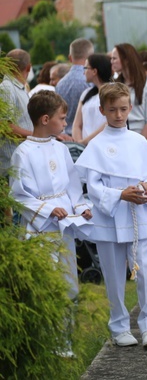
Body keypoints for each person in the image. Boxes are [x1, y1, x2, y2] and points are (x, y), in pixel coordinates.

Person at [75, 82, 147, 349]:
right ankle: (119, 326)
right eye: (112, 110)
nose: (118, 115)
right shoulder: (97, 145)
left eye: (123, 109)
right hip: (109, 218)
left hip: (138, 216)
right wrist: (119, 195)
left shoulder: (138, 141)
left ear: (130, 107)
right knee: (113, 274)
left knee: (146, 271)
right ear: (102, 110)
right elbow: (94, 186)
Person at [10, 91, 92, 357]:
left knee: (68, 283)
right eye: (62, 118)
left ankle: (64, 340)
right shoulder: (23, 152)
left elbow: (72, 185)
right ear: (45, 119)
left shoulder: (60, 147)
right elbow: (19, 193)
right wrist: (47, 209)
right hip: (41, 228)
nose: (65, 122)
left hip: (63, 225)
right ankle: (44, 341)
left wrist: (80, 207)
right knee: (47, 284)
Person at [110, 43, 147, 140]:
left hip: (139, 136)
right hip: (117, 136)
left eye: (114, 58)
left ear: (126, 60)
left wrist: (138, 144)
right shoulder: (113, 85)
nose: (111, 62)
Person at [0, 49, 34, 177]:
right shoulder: (7, 88)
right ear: (28, 67)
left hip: (20, 161)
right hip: (11, 164)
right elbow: (5, 126)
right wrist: (35, 136)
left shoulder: (18, 87)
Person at [56, 38, 94, 136]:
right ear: (91, 57)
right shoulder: (91, 81)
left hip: (65, 137)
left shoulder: (60, 83)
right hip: (86, 137)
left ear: (70, 58)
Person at [72, 53, 111, 145]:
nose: (83, 72)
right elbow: (77, 124)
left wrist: (86, 141)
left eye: (85, 68)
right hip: (85, 148)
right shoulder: (86, 93)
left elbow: (110, 122)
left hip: (104, 145)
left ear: (94, 71)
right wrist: (79, 143)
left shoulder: (113, 92)